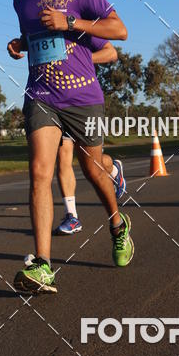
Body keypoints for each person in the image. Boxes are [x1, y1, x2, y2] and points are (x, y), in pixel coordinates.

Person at [7, 0, 134, 294]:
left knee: (92, 170)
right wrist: (20, 44)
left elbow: (120, 31)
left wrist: (71, 23)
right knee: (39, 172)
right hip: (41, 94)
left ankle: (117, 224)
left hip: (83, 97)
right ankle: (44, 265)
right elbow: (36, 39)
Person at [55, 40, 127, 235]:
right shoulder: (43, 27)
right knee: (63, 157)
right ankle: (72, 216)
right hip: (55, 101)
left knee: (91, 165)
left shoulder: (81, 24)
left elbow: (111, 52)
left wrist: (80, 60)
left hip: (83, 101)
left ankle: (112, 168)